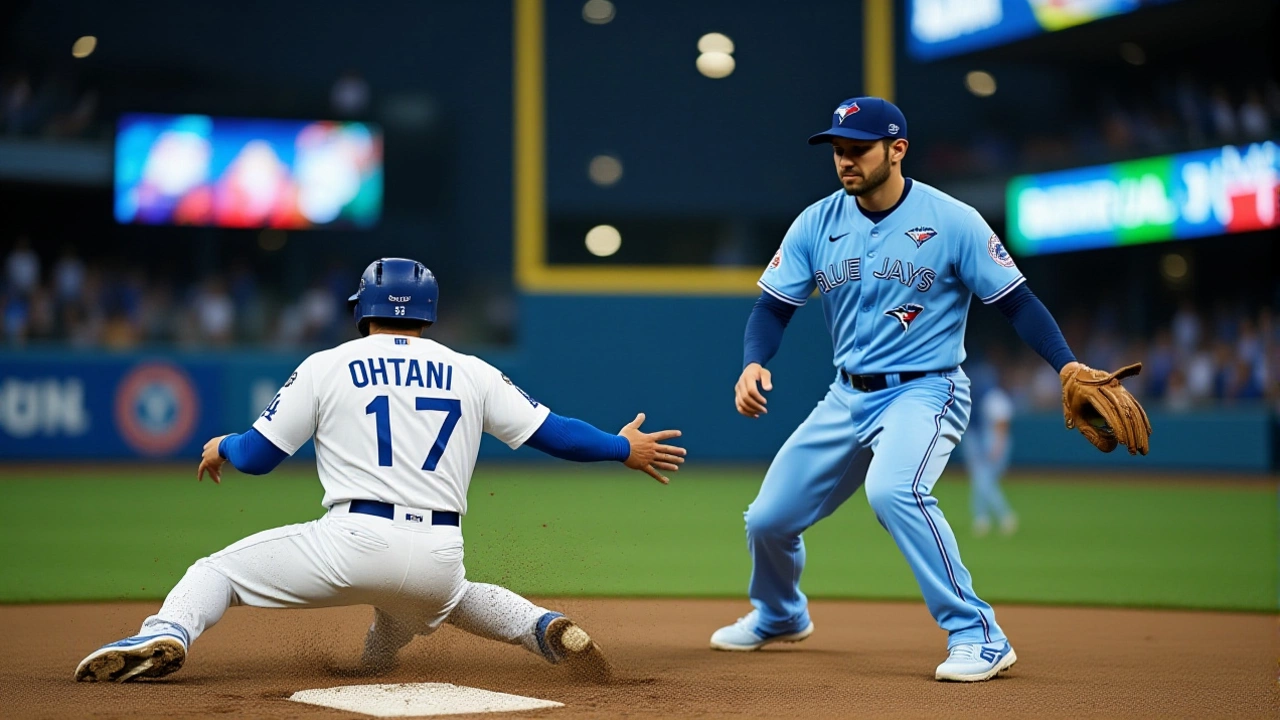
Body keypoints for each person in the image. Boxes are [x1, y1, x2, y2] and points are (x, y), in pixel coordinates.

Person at [75, 258, 687, 683]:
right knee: (437, 599)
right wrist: (620, 447)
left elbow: (259, 458)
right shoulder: (469, 369)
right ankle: (542, 627)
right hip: (440, 552)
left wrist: (223, 445)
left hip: (351, 542)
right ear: (429, 313)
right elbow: (554, 433)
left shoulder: (327, 364)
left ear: (362, 310)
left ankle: (165, 634)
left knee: (216, 574)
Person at [711, 97, 1150, 682]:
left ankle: (979, 635)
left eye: (858, 148)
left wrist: (1066, 366)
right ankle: (780, 613)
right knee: (767, 518)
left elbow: (1017, 302)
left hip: (925, 391)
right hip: (846, 396)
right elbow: (772, 309)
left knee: (893, 492)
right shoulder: (816, 222)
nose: (845, 160)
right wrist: (753, 362)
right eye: (838, 149)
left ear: (897, 149)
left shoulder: (953, 219)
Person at [964, 365, 1017, 538]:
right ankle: (982, 518)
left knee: (983, 481)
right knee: (981, 480)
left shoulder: (995, 398)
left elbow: (1002, 427)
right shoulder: (985, 397)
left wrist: (997, 448)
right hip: (984, 441)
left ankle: (1004, 515)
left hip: (995, 443)